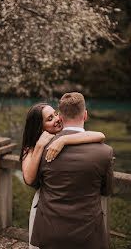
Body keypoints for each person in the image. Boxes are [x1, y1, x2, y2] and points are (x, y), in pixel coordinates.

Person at [30, 93, 114, 249]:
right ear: (85, 115)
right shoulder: (105, 152)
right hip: (88, 234)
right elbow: (107, 190)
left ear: (60, 117)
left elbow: (34, 182)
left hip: (50, 232)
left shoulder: (41, 148)